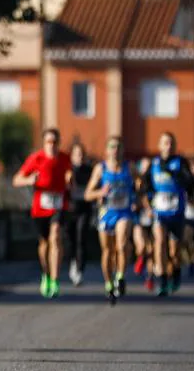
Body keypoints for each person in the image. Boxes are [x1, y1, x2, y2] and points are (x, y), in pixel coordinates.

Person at [13, 128, 72, 298]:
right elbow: (16, 179)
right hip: (40, 208)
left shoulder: (65, 158)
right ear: (44, 143)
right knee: (44, 243)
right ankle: (45, 274)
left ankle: (55, 279)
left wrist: (70, 178)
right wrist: (29, 179)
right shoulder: (36, 158)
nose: (52, 145)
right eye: (49, 142)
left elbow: (69, 173)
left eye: (55, 142)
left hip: (59, 205)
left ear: (58, 143)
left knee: (56, 237)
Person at [83, 136, 135, 305]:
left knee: (121, 244)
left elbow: (141, 183)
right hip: (106, 214)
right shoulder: (101, 168)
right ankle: (108, 283)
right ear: (106, 150)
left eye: (119, 147)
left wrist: (139, 192)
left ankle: (120, 276)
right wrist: (100, 193)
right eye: (112, 147)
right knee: (107, 251)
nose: (115, 150)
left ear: (123, 150)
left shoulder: (130, 167)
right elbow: (87, 194)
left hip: (123, 212)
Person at [146, 132, 194, 296]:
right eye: (165, 143)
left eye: (171, 143)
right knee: (159, 242)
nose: (168, 146)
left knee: (174, 252)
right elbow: (146, 186)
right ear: (159, 146)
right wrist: (147, 201)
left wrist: (175, 174)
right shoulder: (153, 164)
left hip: (177, 212)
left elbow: (190, 183)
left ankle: (175, 273)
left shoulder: (181, 162)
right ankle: (162, 280)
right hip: (160, 212)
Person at [66, 142, 95, 286]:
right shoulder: (68, 170)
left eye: (82, 154)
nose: (80, 156)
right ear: (72, 156)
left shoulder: (90, 170)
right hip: (71, 209)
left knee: (81, 239)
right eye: (77, 154)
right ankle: (73, 263)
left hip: (85, 208)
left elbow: (96, 185)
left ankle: (79, 270)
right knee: (71, 240)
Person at [132, 157, 155, 286]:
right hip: (138, 219)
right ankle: (141, 258)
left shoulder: (154, 184)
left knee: (151, 249)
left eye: (149, 167)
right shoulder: (135, 183)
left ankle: (149, 277)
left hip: (151, 219)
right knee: (141, 247)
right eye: (144, 167)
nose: (146, 170)